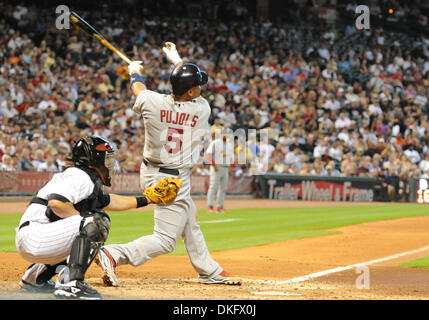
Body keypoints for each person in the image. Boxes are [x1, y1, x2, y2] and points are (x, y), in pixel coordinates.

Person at [96, 42, 241, 287]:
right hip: (171, 178)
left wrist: (134, 71)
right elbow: (191, 91)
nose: (199, 88)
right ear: (191, 92)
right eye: (197, 85)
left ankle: (208, 269)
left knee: (190, 219)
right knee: (165, 240)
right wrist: (176, 59)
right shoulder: (201, 109)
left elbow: (138, 88)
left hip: (152, 170)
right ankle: (114, 254)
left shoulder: (152, 101)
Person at [15, 136, 180, 300]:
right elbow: (56, 203)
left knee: (86, 227)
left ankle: (34, 279)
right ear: (94, 158)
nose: (109, 163)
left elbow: (110, 201)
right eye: (106, 157)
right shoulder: (80, 176)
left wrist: (148, 199)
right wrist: (84, 224)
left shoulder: (81, 177)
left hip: (36, 236)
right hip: (36, 235)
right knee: (96, 222)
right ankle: (71, 284)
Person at [205, 129, 234, 213]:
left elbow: (231, 157)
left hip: (226, 167)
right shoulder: (215, 142)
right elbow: (208, 154)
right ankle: (210, 206)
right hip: (217, 166)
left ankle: (219, 207)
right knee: (213, 186)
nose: (226, 135)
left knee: (223, 188)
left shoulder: (229, 144)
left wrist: (231, 167)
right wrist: (213, 165)